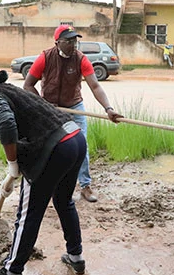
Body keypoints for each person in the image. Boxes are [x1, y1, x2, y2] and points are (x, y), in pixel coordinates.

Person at [0, 62, 88, 275]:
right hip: (75, 138)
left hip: (55, 149)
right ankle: (76, 257)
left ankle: (12, 273)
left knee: (28, 215)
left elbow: (6, 122)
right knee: (64, 202)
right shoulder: (14, 90)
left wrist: (12, 164)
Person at [23, 24, 123, 203]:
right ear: (57, 42)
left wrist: (108, 109)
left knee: (80, 146)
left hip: (74, 107)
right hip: (50, 109)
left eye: (75, 41)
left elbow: (95, 86)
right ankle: (46, 185)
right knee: (48, 148)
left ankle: (85, 186)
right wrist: (43, 105)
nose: (73, 45)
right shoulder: (45, 57)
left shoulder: (81, 59)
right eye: (68, 41)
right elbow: (28, 85)